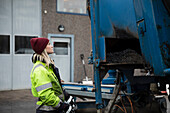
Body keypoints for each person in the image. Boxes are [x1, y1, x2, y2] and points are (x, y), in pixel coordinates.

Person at [30, 38, 76, 113]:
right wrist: (62, 106)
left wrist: (66, 96)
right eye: (48, 44)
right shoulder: (40, 70)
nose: (51, 46)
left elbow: (55, 86)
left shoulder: (48, 67)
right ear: (43, 48)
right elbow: (46, 95)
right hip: (46, 110)